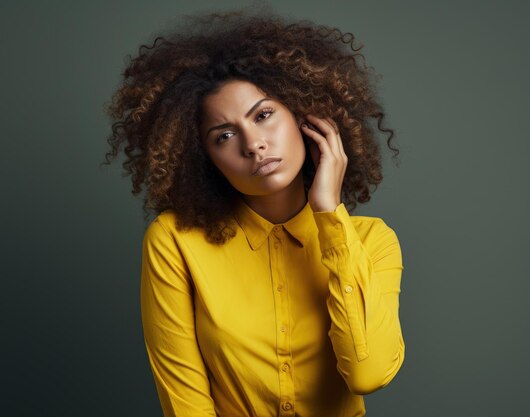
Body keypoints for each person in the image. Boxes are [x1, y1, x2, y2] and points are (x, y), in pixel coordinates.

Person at [102, 6, 404, 417]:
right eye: (224, 135)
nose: (253, 144)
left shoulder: (372, 242)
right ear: (203, 157)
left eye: (263, 115)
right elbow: (185, 400)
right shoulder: (175, 241)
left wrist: (329, 216)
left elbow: (368, 375)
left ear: (304, 117)